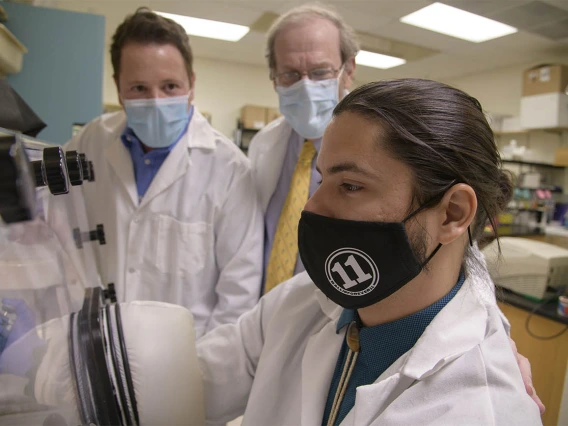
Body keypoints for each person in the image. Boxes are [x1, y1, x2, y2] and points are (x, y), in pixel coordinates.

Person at [197, 79, 544, 425]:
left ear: (452, 212)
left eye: (350, 186)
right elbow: (186, 385)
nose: (312, 207)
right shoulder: (299, 304)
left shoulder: (483, 411)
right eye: (322, 182)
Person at [64, 8, 263, 337]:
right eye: (139, 88)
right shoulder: (90, 141)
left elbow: (237, 299)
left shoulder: (230, 170)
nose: (156, 102)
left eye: (170, 86)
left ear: (192, 84)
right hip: (100, 345)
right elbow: (53, 218)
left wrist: (200, 374)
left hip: (185, 360)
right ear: (118, 87)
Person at [248, 4, 357, 293]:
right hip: (261, 310)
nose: (306, 86)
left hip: (333, 314)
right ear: (274, 78)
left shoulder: (382, 149)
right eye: (290, 74)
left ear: (348, 71)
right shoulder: (263, 144)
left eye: (321, 72)